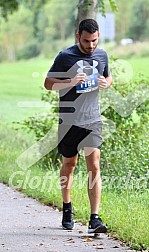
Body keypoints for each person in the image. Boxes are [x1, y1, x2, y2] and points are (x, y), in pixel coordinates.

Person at [44, 19, 112, 233]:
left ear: (98, 36)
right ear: (77, 36)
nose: (90, 45)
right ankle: (67, 207)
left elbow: (109, 77)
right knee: (69, 165)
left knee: (94, 164)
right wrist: (70, 82)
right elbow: (48, 83)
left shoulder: (101, 55)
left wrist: (106, 83)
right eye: (86, 41)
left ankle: (95, 218)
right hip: (69, 121)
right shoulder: (66, 57)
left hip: (92, 120)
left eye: (94, 40)